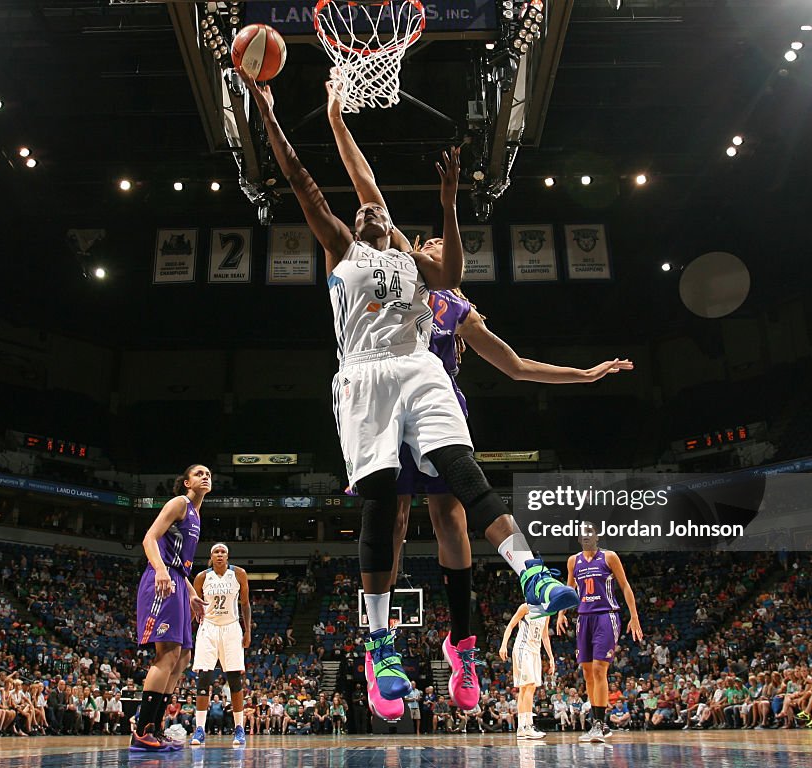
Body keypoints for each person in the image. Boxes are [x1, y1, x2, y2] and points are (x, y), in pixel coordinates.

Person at [244, 71, 577, 720]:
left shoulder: (433, 278)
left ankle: (502, 606)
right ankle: (379, 645)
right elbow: (315, 182)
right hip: (373, 389)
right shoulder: (353, 249)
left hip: (425, 386)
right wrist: (304, 119)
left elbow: (463, 288)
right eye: (372, 214)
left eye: (387, 216)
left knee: (456, 496)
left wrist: (446, 204)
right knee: (387, 513)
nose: (379, 213)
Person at [324, 80, 633, 712]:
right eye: (428, 242)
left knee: (452, 517)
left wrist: (582, 375)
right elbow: (363, 184)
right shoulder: (398, 267)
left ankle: (461, 648)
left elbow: (516, 367)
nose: (430, 245)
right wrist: (337, 122)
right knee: (395, 515)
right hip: (384, 403)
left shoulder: (456, 305)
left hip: (433, 404)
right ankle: (383, 641)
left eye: (439, 243)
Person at [130, 464, 210, 752]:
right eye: (199, 473)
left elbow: (181, 567)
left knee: (183, 657)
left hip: (177, 581)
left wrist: (191, 594)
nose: (205, 477)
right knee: (167, 654)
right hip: (160, 580)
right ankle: (142, 730)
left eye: (208, 474)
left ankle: (157, 729)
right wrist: (161, 570)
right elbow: (149, 538)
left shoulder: (197, 515)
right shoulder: (179, 503)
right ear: (186, 482)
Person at [555, 523, 643, 743]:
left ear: (597, 537)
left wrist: (634, 616)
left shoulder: (609, 557)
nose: (586, 537)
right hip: (583, 617)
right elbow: (569, 589)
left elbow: (625, 586)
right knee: (586, 673)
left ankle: (599, 724)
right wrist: (561, 614)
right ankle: (598, 724)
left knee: (598, 669)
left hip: (606, 615)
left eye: (589, 534)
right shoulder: (573, 561)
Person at [190, 542, 251, 747]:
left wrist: (248, 630)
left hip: (231, 627)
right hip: (208, 628)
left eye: (223, 552)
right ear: (211, 556)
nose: (219, 555)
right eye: (216, 552)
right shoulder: (201, 577)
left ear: (227, 556)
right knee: (204, 677)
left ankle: (239, 729)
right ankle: (199, 729)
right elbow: (194, 606)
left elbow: (246, 604)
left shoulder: (239, 574)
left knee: (234, 679)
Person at [500, 603, 555, 739]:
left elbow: (545, 636)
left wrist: (551, 657)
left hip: (535, 652)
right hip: (523, 649)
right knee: (528, 686)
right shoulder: (526, 607)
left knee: (526, 689)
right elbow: (511, 625)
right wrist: (503, 645)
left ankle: (521, 728)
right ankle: (528, 726)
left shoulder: (547, 612)